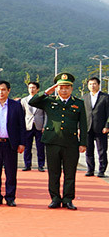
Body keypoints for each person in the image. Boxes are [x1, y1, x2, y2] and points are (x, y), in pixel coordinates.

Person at [29, 73, 87, 210]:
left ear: (72, 89)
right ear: (57, 88)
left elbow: (83, 124)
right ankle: (55, 198)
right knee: (54, 172)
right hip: (52, 142)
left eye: (67, 87)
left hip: (71, 143)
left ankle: (68, 199)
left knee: (70, 173)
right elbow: (32, 101)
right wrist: (48, 91)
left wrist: (83, 142)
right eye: (61, 87)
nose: (64, 90)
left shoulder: (78, 103)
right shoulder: (50, 101)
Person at [83, 77, 109, 177]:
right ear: (88, 85)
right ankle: (90, 169)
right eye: (90, 84)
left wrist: (107, 126)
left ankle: (102, 170)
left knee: (102, 150)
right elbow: (82, 114)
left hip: (101, 128)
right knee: (89, 150)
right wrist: (80, 127)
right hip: (88, 127)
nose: (92, 86)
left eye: (94, 84)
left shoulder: (105, 97)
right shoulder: (85, 97)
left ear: (98, 85)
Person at [20, 81, 47, 172]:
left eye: (33, 88)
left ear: (37, 89)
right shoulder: (24, 100)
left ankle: (41, 165)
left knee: (40, 147)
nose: (31, 89)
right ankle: (27, 164)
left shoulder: (42, 100)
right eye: (30, 88)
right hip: (28, 126)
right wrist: (22, 126)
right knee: (27, 147)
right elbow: (22, 114)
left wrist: (45, 125)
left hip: (39, 126)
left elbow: (45, 114)